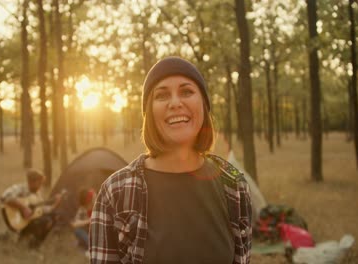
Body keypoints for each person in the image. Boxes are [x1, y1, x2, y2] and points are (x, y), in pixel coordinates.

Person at [89, 56, 252, 263]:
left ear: (203, 105)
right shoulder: (115, 192)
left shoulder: (234, 184)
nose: (175, 103)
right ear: (149, 113)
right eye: (162, 95)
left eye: (186, 91)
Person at [0, 168, 63, 248]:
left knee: (54, 216)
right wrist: (23, 207)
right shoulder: (20, 188)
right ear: (31, 182)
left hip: (27, 220)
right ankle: (26, 242)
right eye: (39, 183)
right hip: (14, 218)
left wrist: (56, 203)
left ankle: (34, 245)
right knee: (46, 221)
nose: (40, 186)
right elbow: (4, 197)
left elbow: (43, 210)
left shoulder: (36, 194)